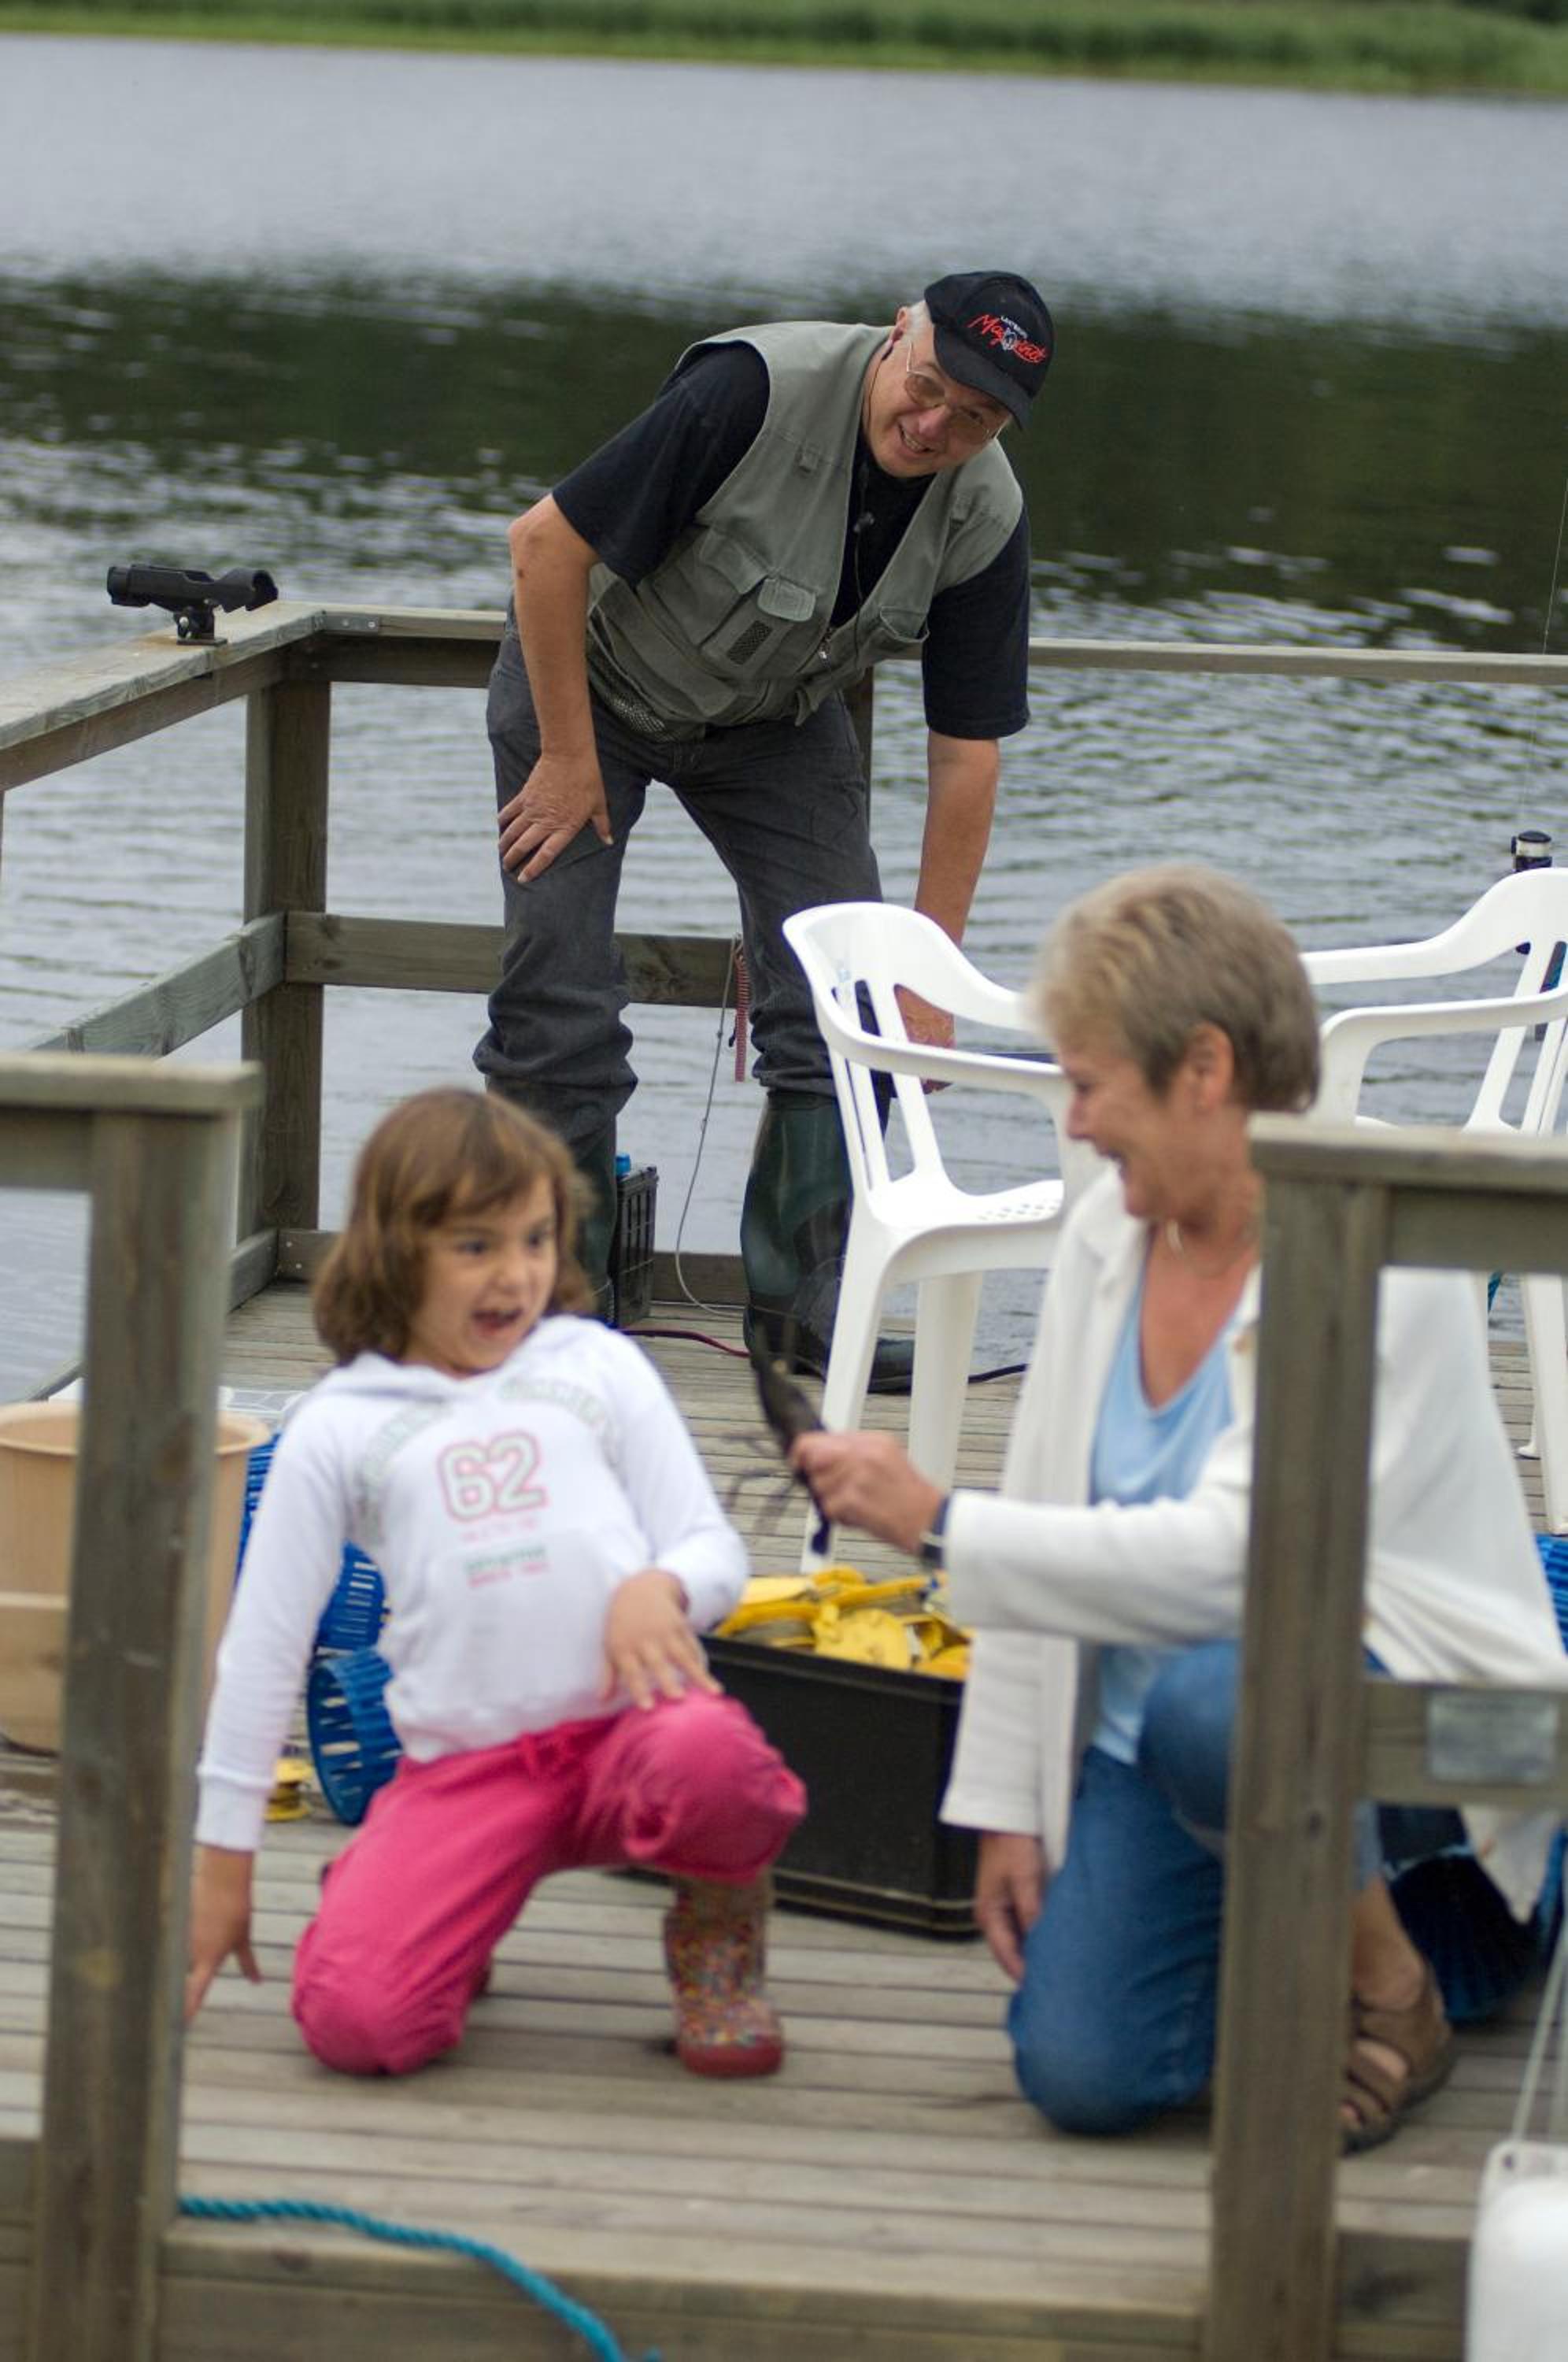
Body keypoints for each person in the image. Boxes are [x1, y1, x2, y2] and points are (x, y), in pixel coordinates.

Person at [792, 864, 1568, 2152]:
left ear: (1203, 1069)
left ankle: (1402, 1977)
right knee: (1081, 2071)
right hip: (1174, 1739)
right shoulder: (1110, 1226)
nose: (1076, 1122)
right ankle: (1397, 1937)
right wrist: (1005, 1805)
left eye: (1092, 1085)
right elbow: (1047, 1493)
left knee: (1221, 1700)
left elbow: (1234, 1564)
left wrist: (936, 1521)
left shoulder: (1379, 1241)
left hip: (1449, 1717)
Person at [473, 269, 1054, 1387]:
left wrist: (931, 974)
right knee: (557, 992)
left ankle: (803, 1312)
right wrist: (567, 758)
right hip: (585, 692)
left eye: (976, 417)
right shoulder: (749, 389)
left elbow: (966, 754)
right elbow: (543, 546)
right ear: (899, 332)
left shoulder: (987, 517)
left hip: (774, 726)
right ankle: (554, 1311)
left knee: (854, 1001)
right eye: (928, 386)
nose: (935, 425)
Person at [187, 1088, 805, 2079]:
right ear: (395, 1250)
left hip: (632, 1736)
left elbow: (710, 1547)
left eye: (535, 1239)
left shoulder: (597, 1363)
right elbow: (262, 1649)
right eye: (475, 1246)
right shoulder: (338, 1423)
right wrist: (224, 1864)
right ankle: (416, 1897)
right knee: (356, 2024)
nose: (515, 1274)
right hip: (466, 1768)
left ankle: (718, 1937)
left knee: (719, 1758)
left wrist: (664, 1588)